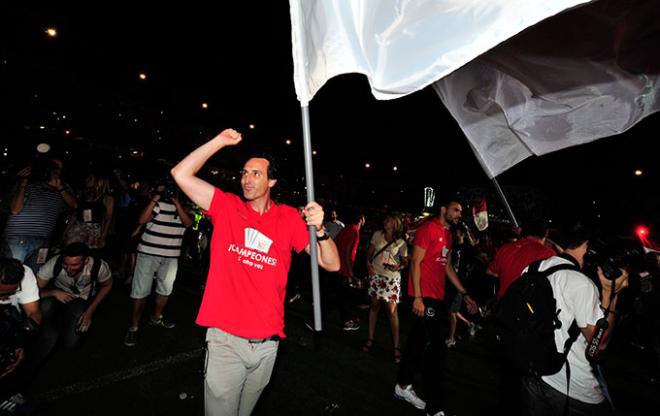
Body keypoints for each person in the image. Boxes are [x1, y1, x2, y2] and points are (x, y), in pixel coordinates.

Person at [170, 128, 339, 416]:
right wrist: (219, 142)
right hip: (226, 342)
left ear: (272, 180)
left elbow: (331, 264)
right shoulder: (226, 207)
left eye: (256, 174)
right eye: (244, 173)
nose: (246, 179)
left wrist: (320, 230)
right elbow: (180, 174)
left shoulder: (288, 217)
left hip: (267, 346)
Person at [520, 222, 629, 416]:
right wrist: (611, 294)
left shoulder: (534, 268)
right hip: (572, 386)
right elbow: (598, 344)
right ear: (587, 245)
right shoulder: (581, 284)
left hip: (533, 374)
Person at [394, 199, 477, 416]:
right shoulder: (429, 229)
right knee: (437, 351)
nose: (460, 213)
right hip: (425, 297)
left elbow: (447, 266)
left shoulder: (449, 235)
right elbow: (414, 262)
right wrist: (418, 297)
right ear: (443, 209)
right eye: (456, 210)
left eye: (461, 211)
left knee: (417, 343)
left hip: (437, 297)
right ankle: (435, 407)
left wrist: (464, 293)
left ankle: (402, 385)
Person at [123, 181, 193, 347]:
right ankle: (133, 327)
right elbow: (142, 219)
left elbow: (189, 224)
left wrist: (177, 203)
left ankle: (156, 317)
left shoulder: (187, 208)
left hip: (170, 256)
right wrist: (156, 198)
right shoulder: (157, 205)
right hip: (148, 253)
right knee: (140, 291)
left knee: (165, 290)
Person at [2, 159, 77, 272]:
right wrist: (22, 185)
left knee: (33, 275)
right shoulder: (28, 183)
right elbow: (15, 210)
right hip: (18, 237)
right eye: (55, 166)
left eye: (60, 167)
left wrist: (61, 188)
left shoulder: (64, 189)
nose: (57, 170)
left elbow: (75, 206)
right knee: (10, 274)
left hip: (43, 241)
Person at [362, 214, 408, 363]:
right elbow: (369, 253)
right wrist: (368, 264)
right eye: (385, 220)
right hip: (376, 276)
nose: (385, 222)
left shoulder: (401, 242)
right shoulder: (377, 235)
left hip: (392, 279)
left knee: (392, 313)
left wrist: (399, 266)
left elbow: (406, 261)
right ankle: (370, 338)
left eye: (388, 221)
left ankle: (396, 346)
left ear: (395, 224)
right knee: (374, 307)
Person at [0, 258, 42, 413]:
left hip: (9, 319)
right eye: (2, 293)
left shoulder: (25, 273)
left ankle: (8, 389)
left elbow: (34, 313)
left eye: (12, 292)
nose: (5, 297)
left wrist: (19, 344)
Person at [487, 219, 556, 301]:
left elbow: (489, 271)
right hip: (527, 309)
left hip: (502, 307)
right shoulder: (548, 254)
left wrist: (506, 274)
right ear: (546, 233)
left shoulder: (505, 248)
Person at [62, 170, 115, 252]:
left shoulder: (107, 198)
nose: (86, 180)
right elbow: (75, 214)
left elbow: (108, 218)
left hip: (93, 231)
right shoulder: (82, 195)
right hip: (78, 228)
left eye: (90, 178)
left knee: (87, 256)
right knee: (71, 252)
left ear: (99, 181)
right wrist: (66, 231)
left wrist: (103, 236)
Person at [333, 212, 366, 331]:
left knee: (339, 295)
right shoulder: (354, 231)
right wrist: (351, 272)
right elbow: (348, 251)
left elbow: (336, 242)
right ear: (361, 219)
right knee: (343, 297)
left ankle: (347, 319)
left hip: (337, 265)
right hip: (343, 268)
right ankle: (346, 320)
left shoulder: (347, 229)